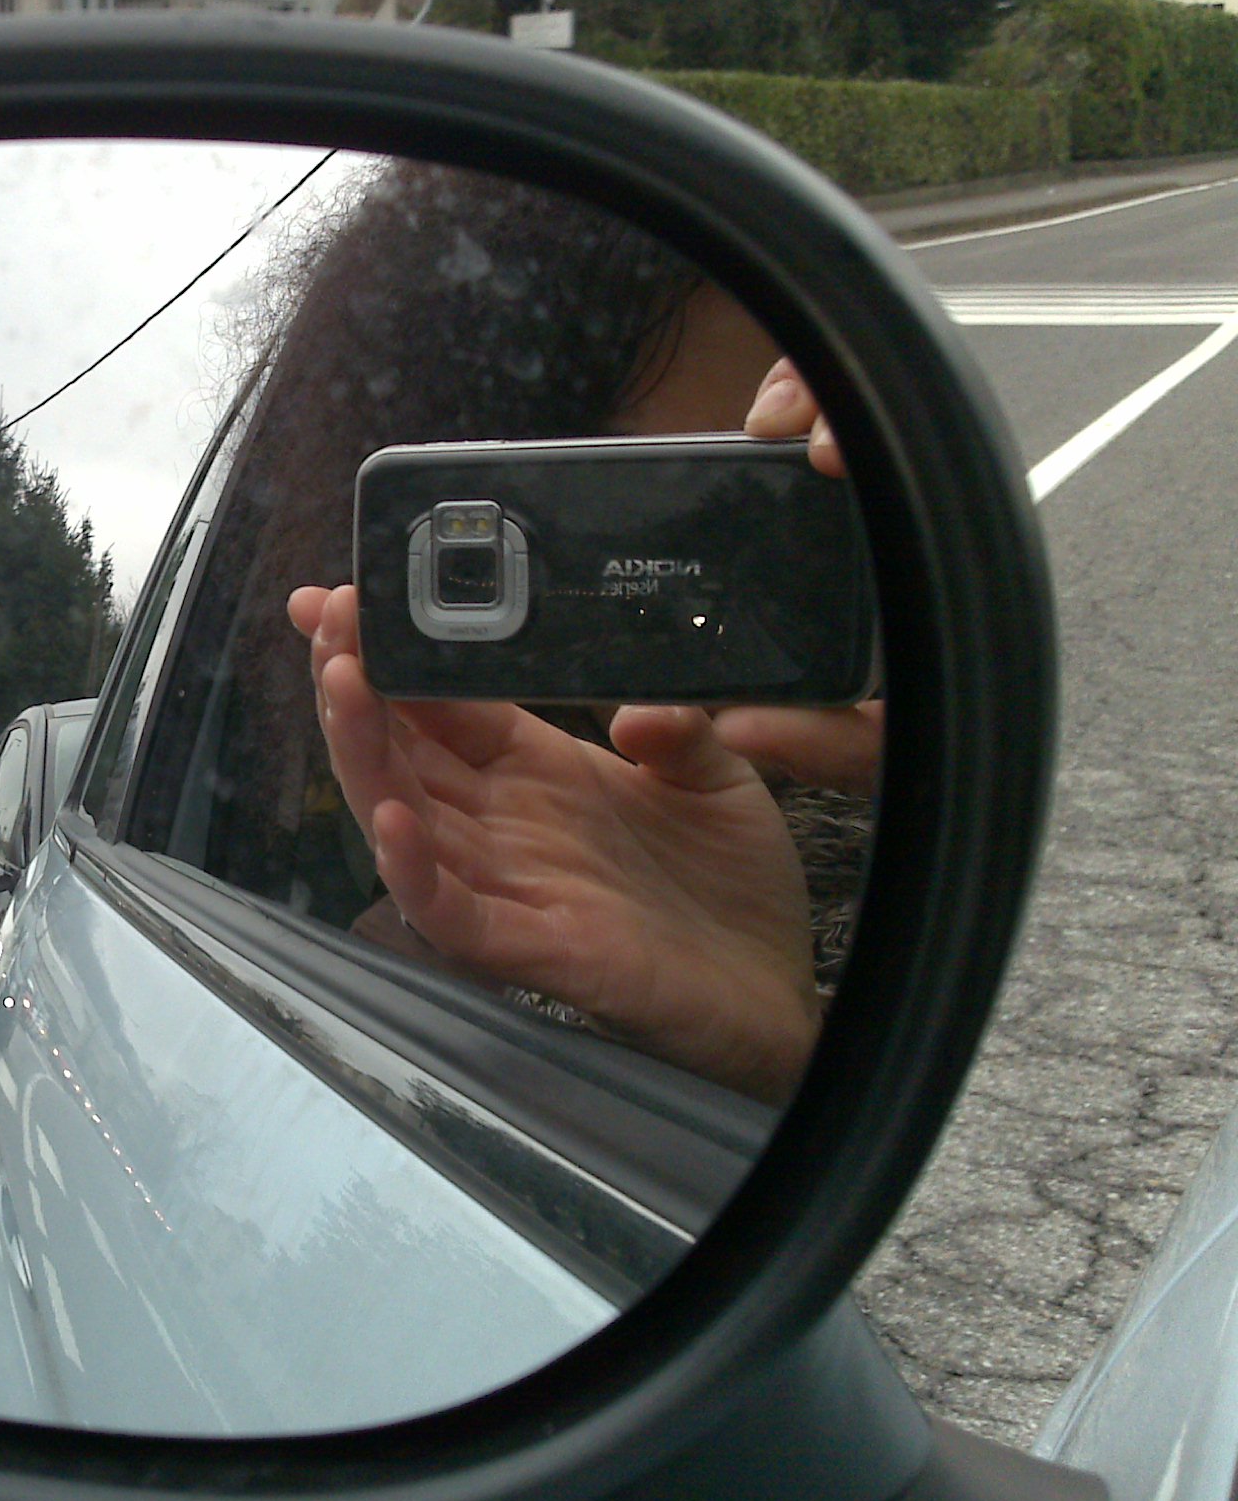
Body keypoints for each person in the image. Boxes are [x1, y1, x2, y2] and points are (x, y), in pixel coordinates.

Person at [202, 165, 877, 1103]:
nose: (770, 573)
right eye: (686, 524)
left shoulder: (922, 755)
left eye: (789, 499)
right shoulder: (438, 947)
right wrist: (765, 1043)